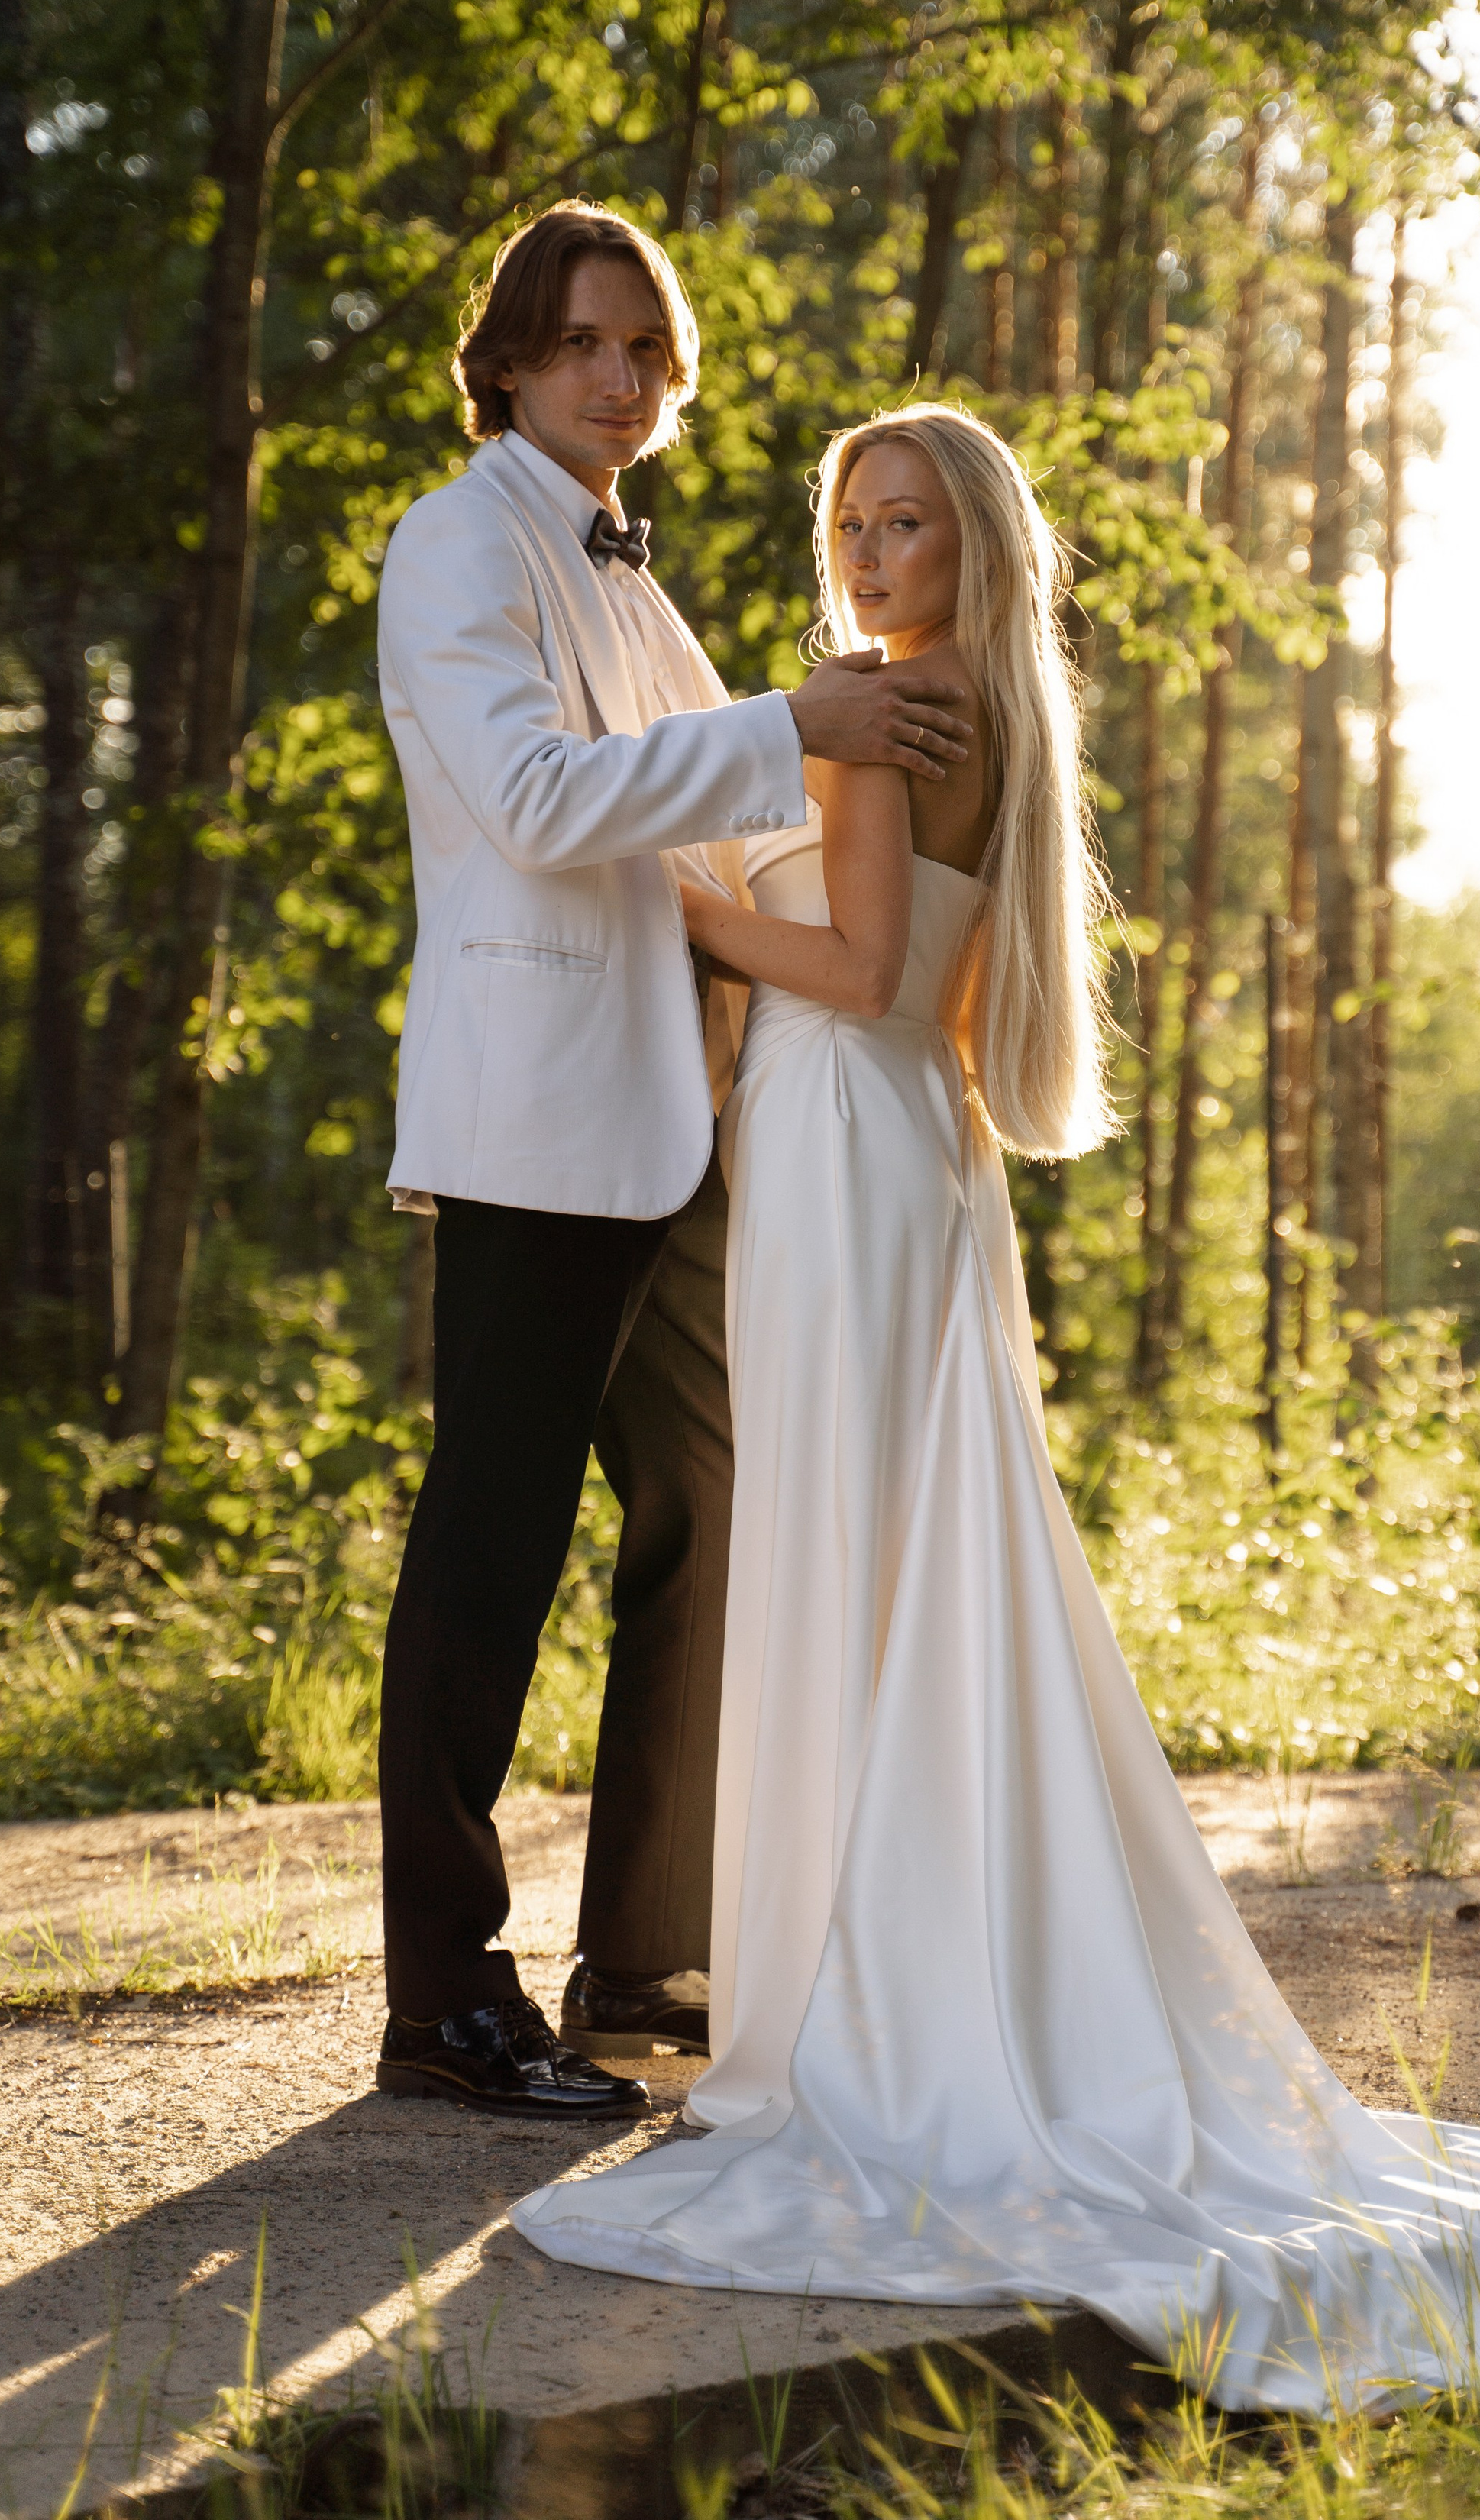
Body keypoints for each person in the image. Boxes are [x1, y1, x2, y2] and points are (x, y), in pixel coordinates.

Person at [512, 402, 1480, 2410]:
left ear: (981, 547)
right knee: (900, 1560)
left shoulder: (893, 709)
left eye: (909, 521)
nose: (873, 551)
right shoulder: (976, 708)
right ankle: (887, 1975)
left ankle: (866, 2017)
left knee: (849, 1553)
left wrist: (675, 904)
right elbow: (930, 981)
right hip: (908, 1164)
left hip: (850, 1145)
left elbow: (859, 958)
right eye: (853, 520)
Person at [372, 204, 971, 2118]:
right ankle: (443, 2003)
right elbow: (543, 802)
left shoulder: (631, 583)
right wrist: (795, 724)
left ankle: (642, 1952)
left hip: (672, 1122)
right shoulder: (459, 545)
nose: (617, 380)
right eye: (579, 347)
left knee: (705, 1518)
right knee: (491, 1541)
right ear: (509, 364)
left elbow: (711, 843)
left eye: (644, 351)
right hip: (539, 1120)